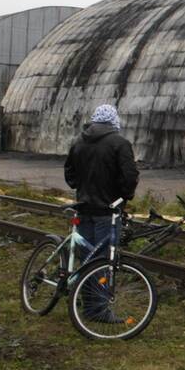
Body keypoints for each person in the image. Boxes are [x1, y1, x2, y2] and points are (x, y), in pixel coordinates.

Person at [63, 104, 139, 322]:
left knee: (86, 258)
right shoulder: (120, 143)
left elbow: (69, 172)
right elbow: (129, 176)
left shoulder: (79, 141)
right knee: (104, 260)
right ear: (114, 121)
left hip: (84, 208)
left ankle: (87, 302)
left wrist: (80, 186)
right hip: (108, 211)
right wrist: (125, 196)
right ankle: (97, 310)